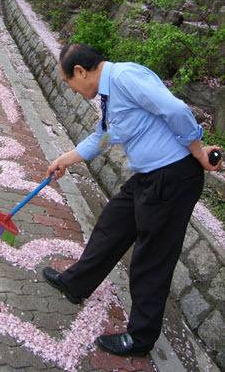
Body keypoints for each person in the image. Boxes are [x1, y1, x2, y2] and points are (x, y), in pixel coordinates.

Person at [42, 43, 221, 357]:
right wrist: (65, 160)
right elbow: (105, 136)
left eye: (69, 82)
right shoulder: (110, 97)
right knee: (112, 225)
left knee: (151, 258)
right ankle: (76, 284)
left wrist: (198, 152)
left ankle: (140, 339)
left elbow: (176, 110)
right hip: (149, 177)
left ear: (81, 71)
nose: (70, 89)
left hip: (172, 177)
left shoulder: (124, 77)